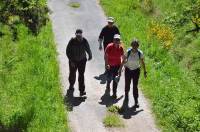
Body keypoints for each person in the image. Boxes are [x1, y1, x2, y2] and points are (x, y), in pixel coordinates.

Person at [118, 39, 147, 108]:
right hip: (128, 70)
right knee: (127, 84)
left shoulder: (140, 53)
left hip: (136, 70)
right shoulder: (128, 52)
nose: (134, 46)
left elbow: (142, 62)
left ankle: (136, 101)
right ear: (131, 45)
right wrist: (120, 69)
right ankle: (126, 95)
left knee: (135, 86)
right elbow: (123, 61)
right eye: (133, 45)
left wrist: (145, 71)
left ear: (138, 46)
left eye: (136, 45)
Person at [66, 29, 92, 96]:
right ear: (75, 34)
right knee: (72, 74)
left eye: (80, 34)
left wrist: (90, 55)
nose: (78, 35)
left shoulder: (84, 41)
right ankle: (71, 85)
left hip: (82, 61)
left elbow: (88, 48)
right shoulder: (72, 41)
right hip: (73, 61)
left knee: (81, 75)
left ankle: (82, 91)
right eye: (77, 34)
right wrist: (71, 60)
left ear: (82, 34)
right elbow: (67, 51)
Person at [105, 34, 124, 99]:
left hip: (117, 66)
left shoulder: (121, 48)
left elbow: (123, 57)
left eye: (118, 40)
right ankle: (108, 84)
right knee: (109, 78)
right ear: (113, 40)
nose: (117, 41)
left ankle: (114, 93)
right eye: (115, 40)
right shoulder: (109, 46)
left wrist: (122, 67)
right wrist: (106, 64)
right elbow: (106, 56)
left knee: (115, 80)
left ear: (119, 41)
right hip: (110, 65)